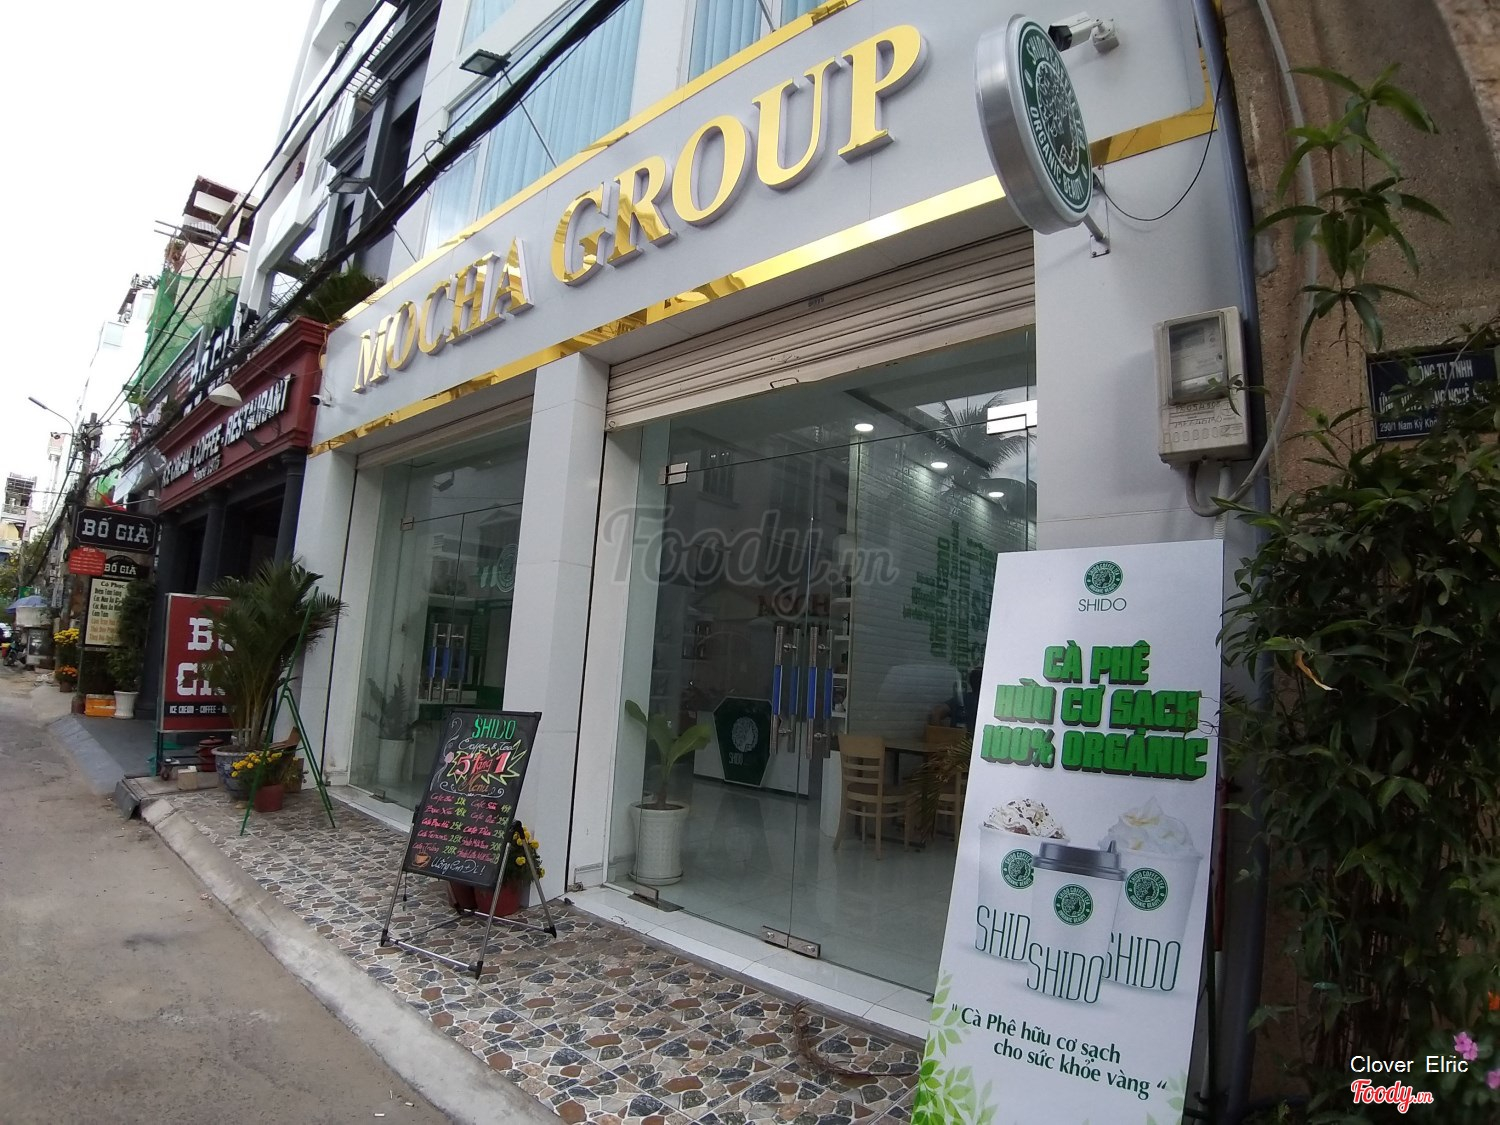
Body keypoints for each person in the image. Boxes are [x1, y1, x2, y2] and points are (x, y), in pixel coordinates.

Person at [929, 667, 983, 734]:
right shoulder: (965, 699)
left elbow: (935, 713)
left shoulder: (962, 699)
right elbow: (936, 712)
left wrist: (942, 735)